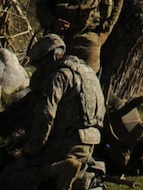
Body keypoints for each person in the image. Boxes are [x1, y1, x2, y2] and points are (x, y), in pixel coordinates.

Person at [0, 35, 103, 190]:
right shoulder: (87, 72)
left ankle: (57, 169)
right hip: (89, 145)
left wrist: (30, 150)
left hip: (65, 145)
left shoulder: (58, 77)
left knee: (10, 176)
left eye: (39, 64)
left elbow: (45, 117)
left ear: (51, 57)